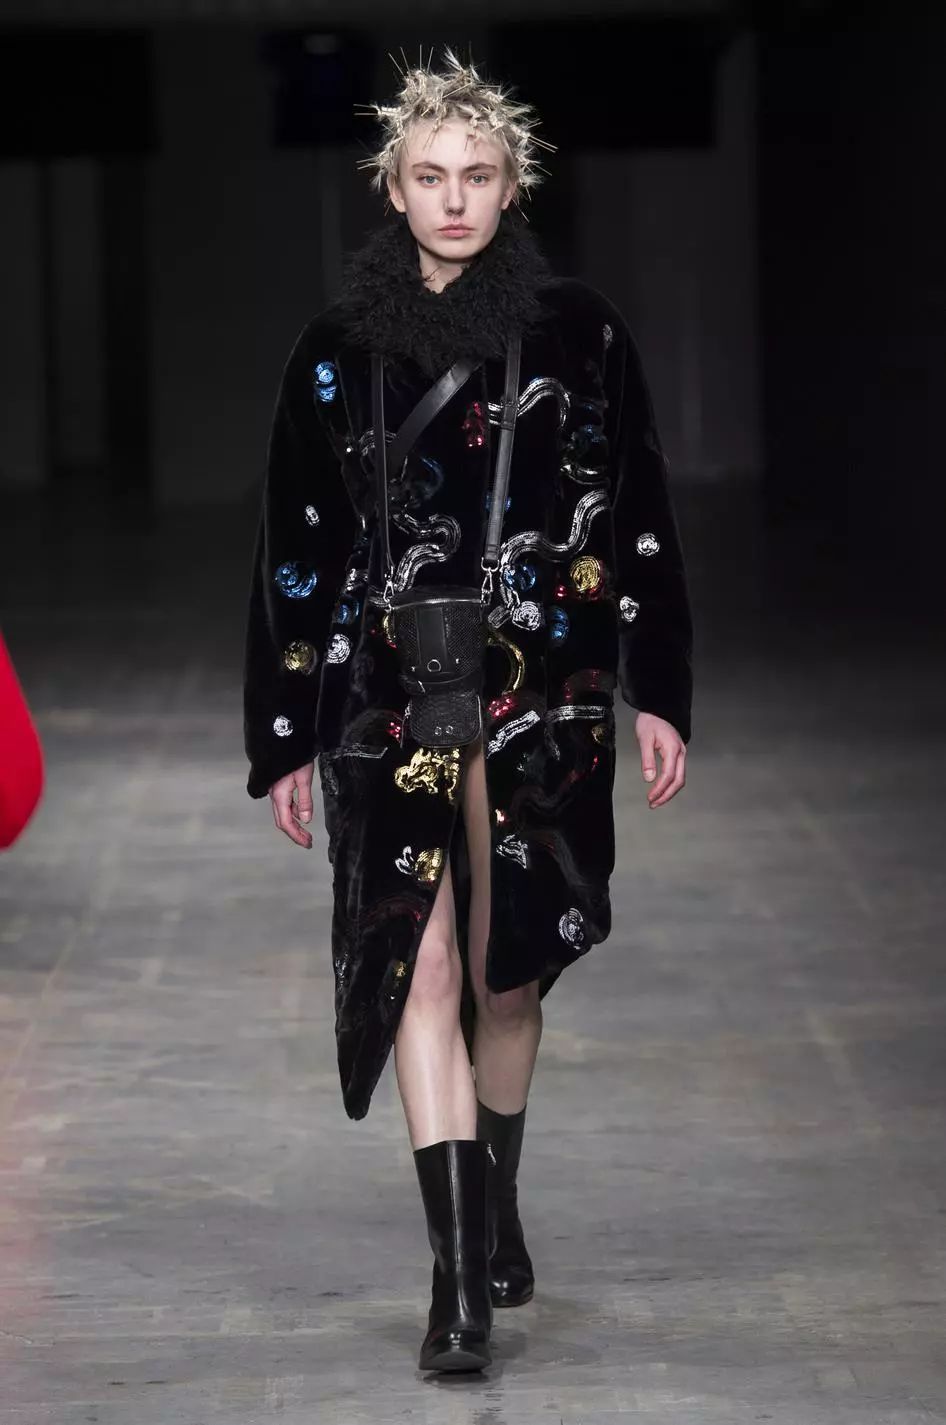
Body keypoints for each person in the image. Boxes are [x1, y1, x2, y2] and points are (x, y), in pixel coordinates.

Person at [243, 48, 693, 1373]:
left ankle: (493, 1196)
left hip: (540, 690)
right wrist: (284, 732)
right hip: (381, 690)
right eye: (430, 177)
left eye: (477, 176)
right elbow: (295, 549)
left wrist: (658, 688)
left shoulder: (579, 334)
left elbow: (639, 512)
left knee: (505, 973)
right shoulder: (334, 352)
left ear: (512, 185)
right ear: (390, 187)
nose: (453, 199)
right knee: (418, 963)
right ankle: (456, 1286)